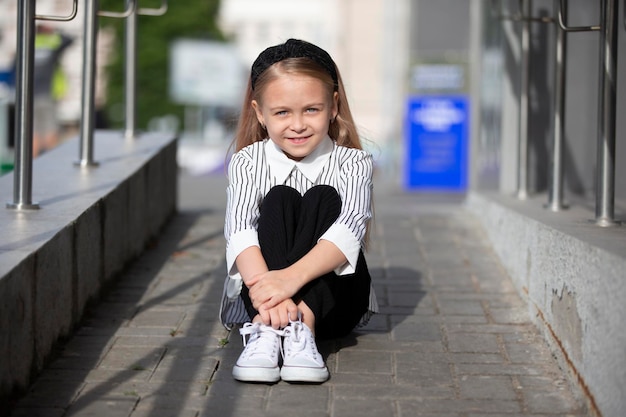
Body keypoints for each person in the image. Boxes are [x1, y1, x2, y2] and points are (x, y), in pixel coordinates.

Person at [219, 39, 378, 384]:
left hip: (336, 304)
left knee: (322, 197)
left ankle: (300, 329)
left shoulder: (354, 163)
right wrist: (266, 290)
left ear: (333, 106)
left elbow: (350, 229)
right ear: (260, 113)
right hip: (261, 298)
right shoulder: (248, 162)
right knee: (279, 198)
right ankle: (267, 330)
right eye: (282, 112)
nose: (298, 124)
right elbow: (239, 230)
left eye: (311, 109)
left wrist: (287, 280)